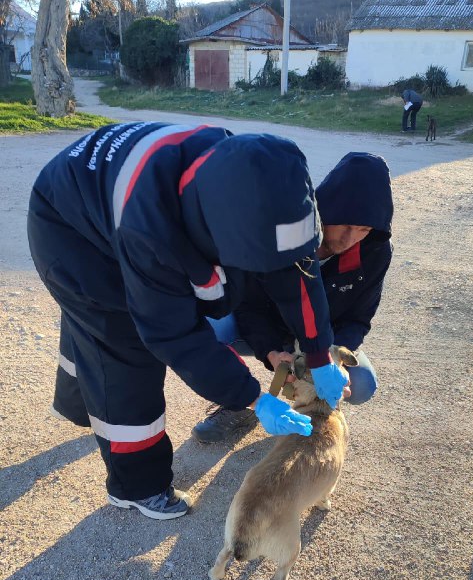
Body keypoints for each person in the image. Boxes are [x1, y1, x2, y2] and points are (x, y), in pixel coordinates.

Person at [27, 123, 349, 520]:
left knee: (95, 332)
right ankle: (136, 486)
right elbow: (174, 335)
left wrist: (320, 354)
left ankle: (81, 405)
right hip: (70, 231)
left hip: (100, 194)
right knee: (121, 344)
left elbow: (296, 273)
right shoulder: (152, 227)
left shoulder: (254, 180)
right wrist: (253, 397)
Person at [193, 152, 394, 443]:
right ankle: (242, 401)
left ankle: (314, 411)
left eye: (363, 229)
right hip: (269, 327)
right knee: (210, 327)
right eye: (346, 225)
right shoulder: (285, 233)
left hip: (324, 341)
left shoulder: (374, 252)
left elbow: (358, 319)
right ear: (326, 209)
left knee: (362, 384)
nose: (350, 238)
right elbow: (248, 305)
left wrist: (331, 359)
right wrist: (272, 352)